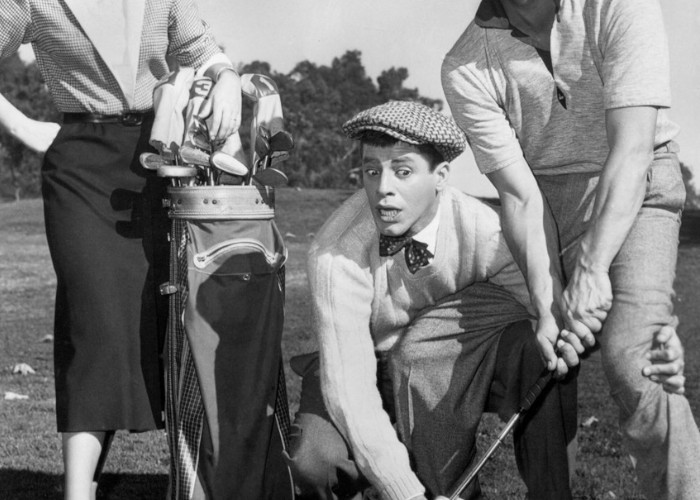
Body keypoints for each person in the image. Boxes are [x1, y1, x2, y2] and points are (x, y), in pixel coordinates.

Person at [441, 0, 700, 498]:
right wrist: (547, 301)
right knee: (536, 346)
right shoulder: (464, 64)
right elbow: (519, 195)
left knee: (636, 360)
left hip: (638, 183)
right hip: (543, 205)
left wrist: (592, 268)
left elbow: (633, 148)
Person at [0, 1, 241, 499]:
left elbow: (199, 46)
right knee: (93, 322)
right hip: (80, 166)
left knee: (161, 320)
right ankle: (76, 492)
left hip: (160, 158)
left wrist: (227, 76)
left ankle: (193, 480)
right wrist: (22, 125)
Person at [286, 100, 580, 500]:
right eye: (371, 171)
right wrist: (407, 494)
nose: (382, 187)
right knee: (311, 461)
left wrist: (559, 325)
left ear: (441, 176)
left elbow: (540, 307)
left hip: (450, 367)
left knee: (538, 346)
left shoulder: (484, 230)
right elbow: (352, 396)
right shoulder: (335, 252)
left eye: (402, 171)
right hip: (359, 367)